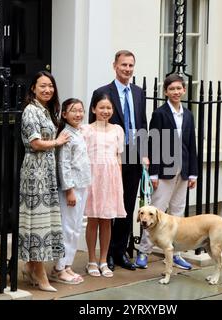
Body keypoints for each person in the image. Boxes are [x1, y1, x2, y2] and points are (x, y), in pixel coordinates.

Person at [89, 50, 148, 271]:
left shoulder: (139, 92)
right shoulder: (102, 92)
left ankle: (120, 252)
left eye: (131, 65)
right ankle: (106, 256)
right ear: (115, 65)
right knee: (107, 207)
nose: (128, 69)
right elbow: (93, 125)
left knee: (127, 206)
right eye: (124, 65)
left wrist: (144, 154)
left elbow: (142, 123)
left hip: (133, 157)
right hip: (109, 159)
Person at [135, 74, 198, 270]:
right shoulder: (160, 114)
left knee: (177, 214)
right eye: (172, 89)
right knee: (154, 212)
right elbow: (154, 144)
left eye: (179, 88)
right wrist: (153, 173)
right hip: (164, 170)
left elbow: (191, 144)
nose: (176, 92)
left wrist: (193, 173)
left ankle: (175, 253)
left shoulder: (188, 114)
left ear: (184, 90)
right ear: (166, 92)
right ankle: (143, 252)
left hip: (184, 170)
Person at [18, 71, 70, 292]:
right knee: (37, 224)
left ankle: (31, 267)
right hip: (35, 173)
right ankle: (39, 273)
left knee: (44, 221)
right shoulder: (31, 111)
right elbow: (36, 143)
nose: (47, 90)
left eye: (50, 86)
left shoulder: (46, 110)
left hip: (47, 172)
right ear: (33, 88)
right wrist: (57, 141)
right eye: (42, 86)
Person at [82, 93, 127, 277]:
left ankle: (103, 260)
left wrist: (120, 184)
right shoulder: (86, 130)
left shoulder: (117, 129)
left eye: (109, 108)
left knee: (107, 221)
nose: (105, 111)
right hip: (93, 178)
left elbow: (118, 157)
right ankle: (91, 260)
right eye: (101, 107)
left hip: (111, 178)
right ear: (93, 109)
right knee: (93, 219)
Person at [48, 98, 91, 285]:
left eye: (81, 110)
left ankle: (67, 265)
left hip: (82, 186)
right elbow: (63, 164)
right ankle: (58, 268)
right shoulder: (66, 134)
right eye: (74, 110)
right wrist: (69, 190)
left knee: (75, 228)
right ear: (64, 114)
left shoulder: (79, 132)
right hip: (71, 189)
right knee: (67, 228)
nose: (78, 114)